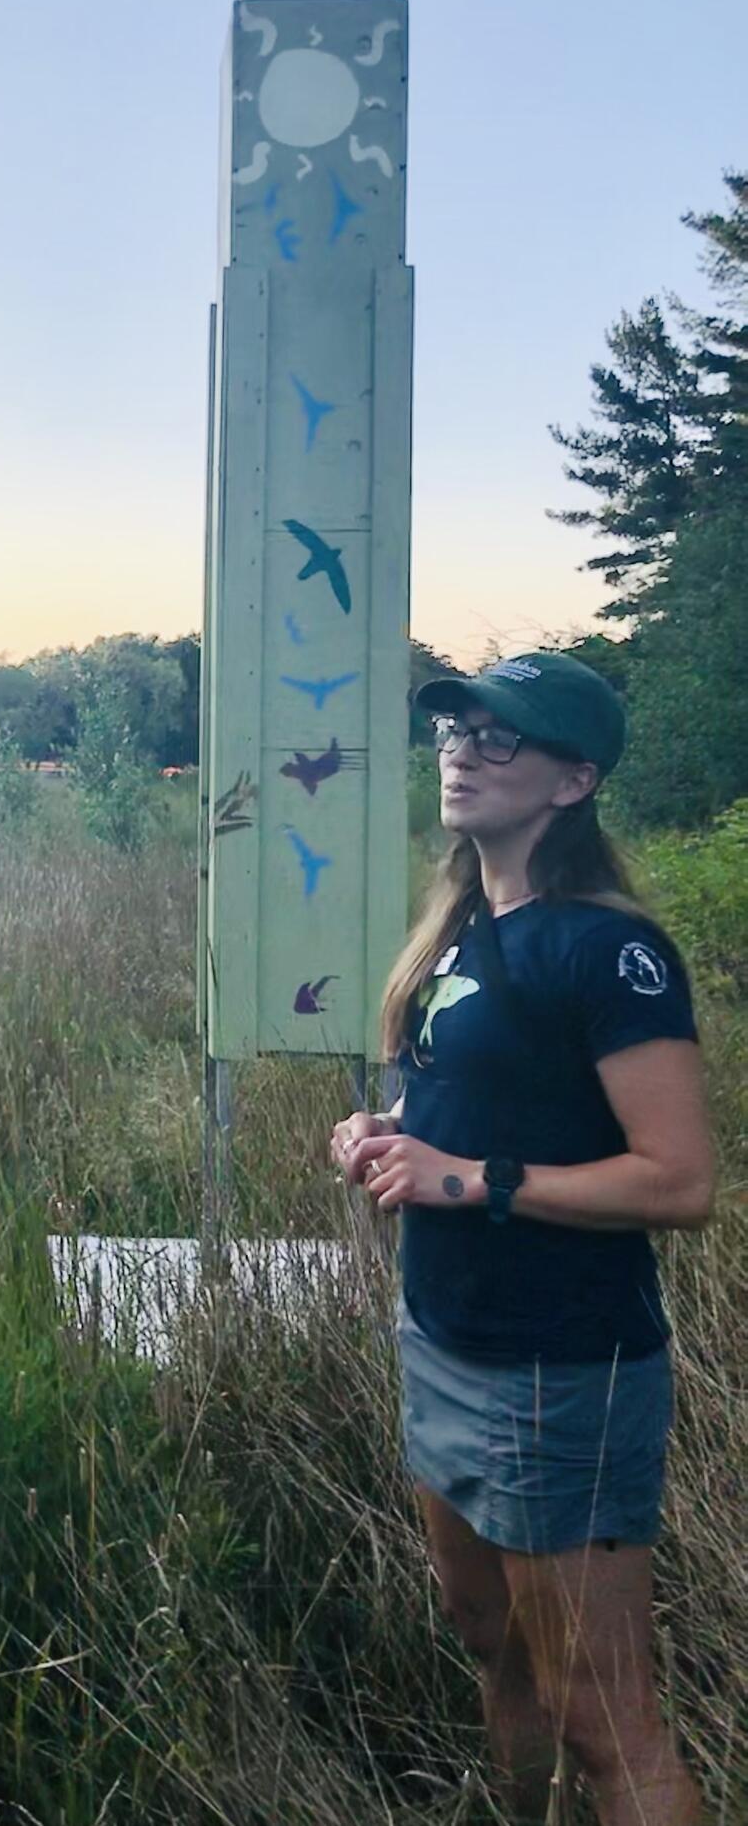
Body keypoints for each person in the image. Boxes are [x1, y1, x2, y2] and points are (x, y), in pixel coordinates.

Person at [331, 651, 713, 1825]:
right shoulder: (458, 923)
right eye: (453, 725)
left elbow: (679, 1178)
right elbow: (495, 1104)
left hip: (555, 1366)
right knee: (491, 1640)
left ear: (572, 778)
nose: (460, 747)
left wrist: (466, 1176)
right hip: (443, 1331)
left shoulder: (610, 950)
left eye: (501, 736)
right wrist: (394, 1131)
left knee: (605, 1717)